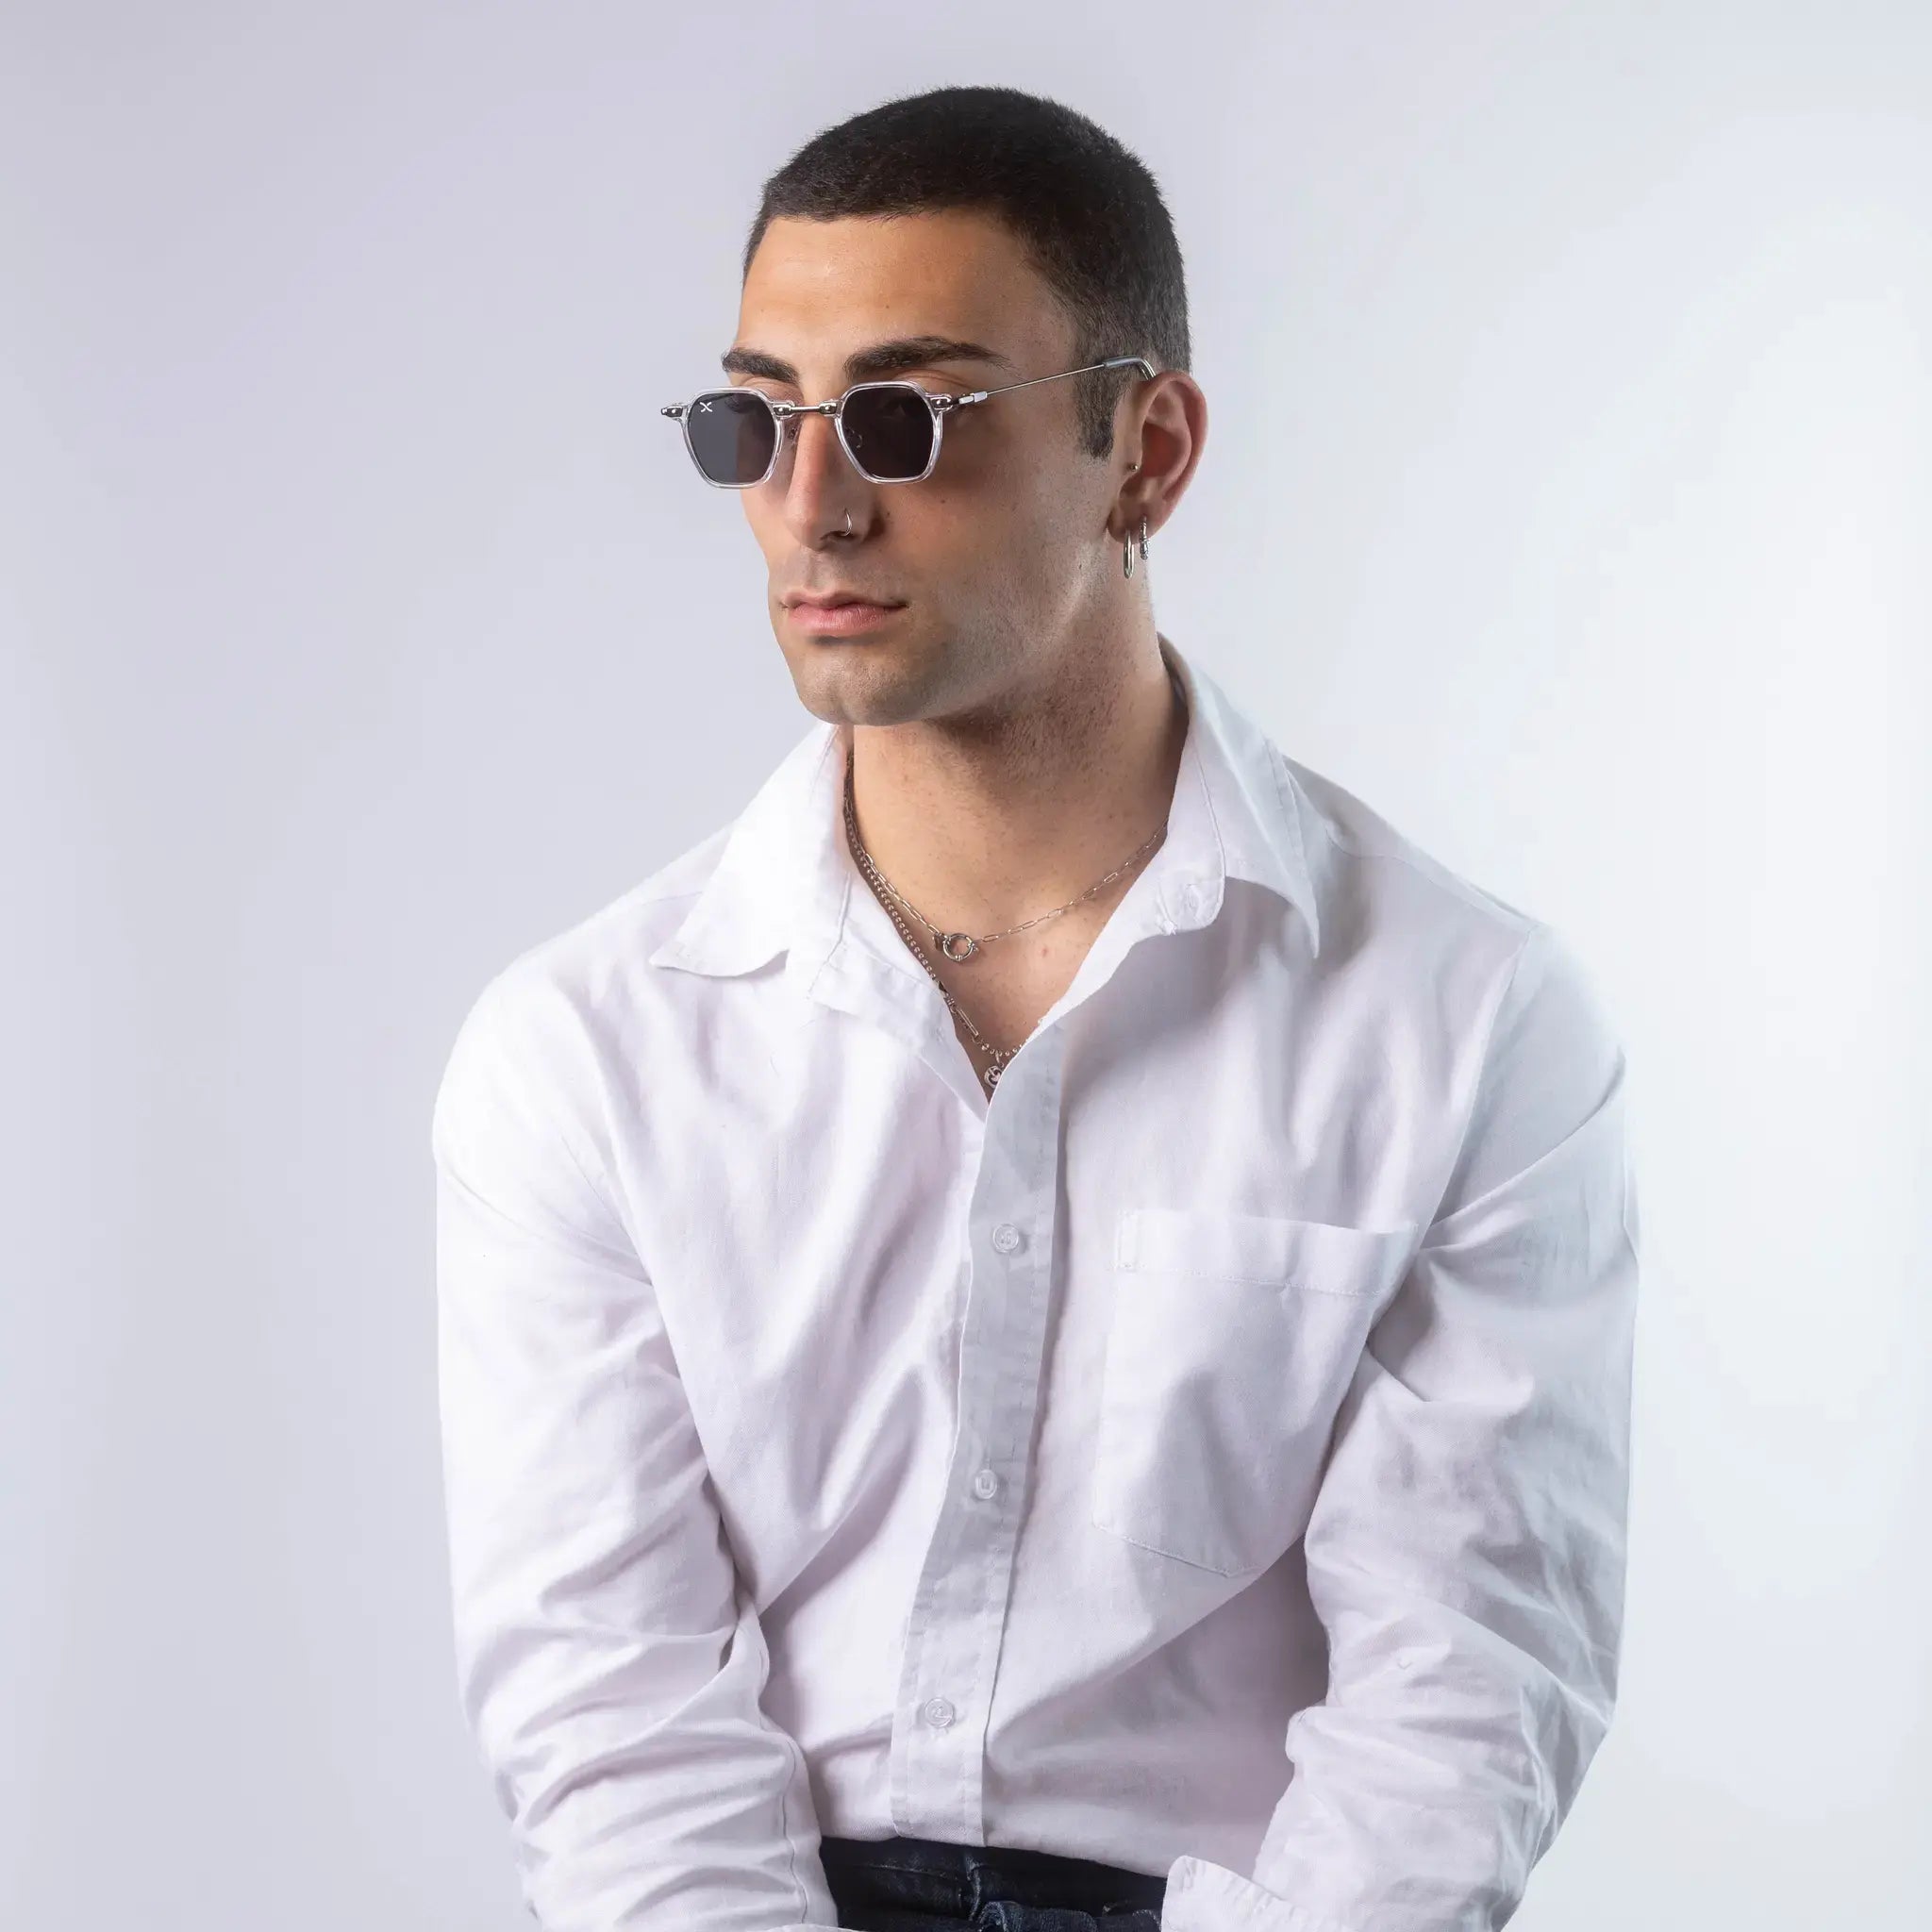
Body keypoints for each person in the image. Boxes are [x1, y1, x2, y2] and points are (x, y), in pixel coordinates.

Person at [430, 84, 1641, 1932]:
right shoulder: (586, 1050)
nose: (810, 502)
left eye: (906, 417)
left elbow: (1459, 1707)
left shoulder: (1462, 1018)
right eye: (754, 419)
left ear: (1145, 451)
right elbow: (612, 1718)